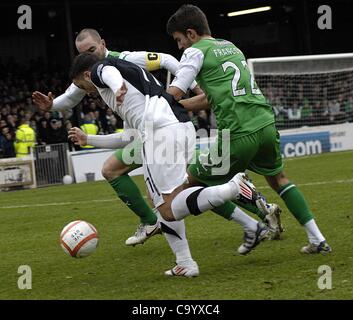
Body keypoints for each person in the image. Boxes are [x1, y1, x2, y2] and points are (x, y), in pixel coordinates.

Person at [68, 52, 274, 275]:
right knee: (167, 195)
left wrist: (117, 87)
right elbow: (128, 137)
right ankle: (190, 259)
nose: (87, 94)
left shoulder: (103, 71)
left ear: (87, 75)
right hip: (179, 126)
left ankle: (233, 188)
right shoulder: (134, 86)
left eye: (83, 86)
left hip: (160, 132)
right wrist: (88, 139)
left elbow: (106, 72)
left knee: (166, 208)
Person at [165, 4, 331, 254]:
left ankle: (248, 227)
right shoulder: (230, 47)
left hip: (238, 133)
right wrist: (181, 107)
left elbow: (174, 92)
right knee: (279, 180)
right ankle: (317, 239)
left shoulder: (194, 52)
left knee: (188, 184)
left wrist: (157, 104)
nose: (179, 47)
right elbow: (213, 97)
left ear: (190, 34)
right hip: (265, 123)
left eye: (179, 40)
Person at [32, 28, 200, 247]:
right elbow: (70, 97)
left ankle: (235, 200)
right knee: (178, 183)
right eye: (84, 54)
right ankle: (166, 232)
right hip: (146, 129)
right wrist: (52, 106)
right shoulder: (89, 73)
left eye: (92, 50)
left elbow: (166, 59)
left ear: (103, 44)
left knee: (178, 188)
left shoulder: (123, 59)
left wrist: (188, 90)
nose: (90, 57)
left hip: (162, 123)